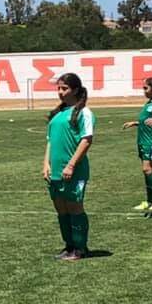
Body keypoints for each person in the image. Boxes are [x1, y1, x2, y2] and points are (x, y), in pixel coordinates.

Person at [42, 73, 94, 261]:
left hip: (73, 171)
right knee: (61, 209)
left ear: (76, 90)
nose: (60, 92)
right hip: (55, 171)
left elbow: (86, 140)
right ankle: (69, 246)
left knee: (74, 207)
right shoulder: (57, 114)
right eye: (59, 88)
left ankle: (80, 248)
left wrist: (71, 165)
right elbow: (50, 141)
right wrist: (45, 164)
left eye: (64, 88)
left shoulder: (83, 112)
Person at [123, 77, 152, 214]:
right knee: (147, 171)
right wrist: (135, 123)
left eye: (145, 88)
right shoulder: (149, 103)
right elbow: (146, 120)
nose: (144, 91)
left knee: (147, 169)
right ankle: (149, 201)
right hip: (143, 140)